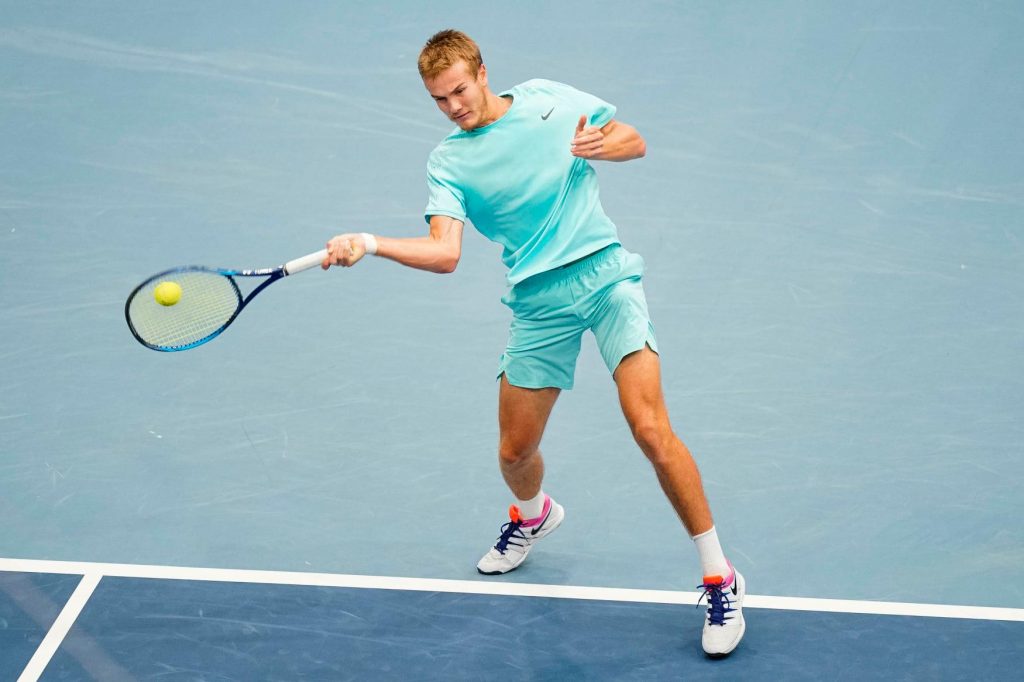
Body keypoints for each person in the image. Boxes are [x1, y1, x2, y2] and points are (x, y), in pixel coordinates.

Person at [321, 29, 745, 657]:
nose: (454, 107)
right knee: (515, 452)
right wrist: (371, 243)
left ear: (482, 73)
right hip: (538, 303)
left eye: (460, 91)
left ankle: (719, 577)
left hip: (606, 278)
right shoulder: (448, 162)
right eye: (439, 99)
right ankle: (534, 514)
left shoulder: (548, 99)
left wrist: (604, 145)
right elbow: (444, 253)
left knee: (650, 428)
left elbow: (633, 140)